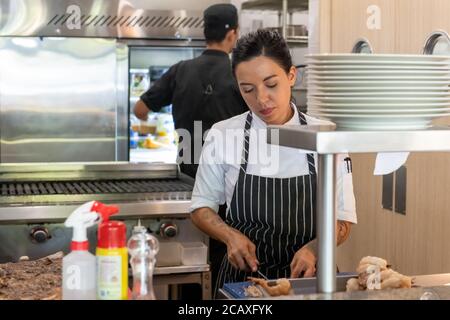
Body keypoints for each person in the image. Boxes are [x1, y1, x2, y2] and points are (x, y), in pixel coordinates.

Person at [189, 29, 358, 296]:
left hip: (312, 281)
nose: (261, 99)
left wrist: (315, 249)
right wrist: (230, 236)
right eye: (248, 90)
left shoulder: (327, 137)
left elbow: (343, 219)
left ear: (291, 76)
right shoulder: (223, 134)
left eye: (271, 84)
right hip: (244, 284)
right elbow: (201, 207)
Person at [134, 3, 248, 178]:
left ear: (205, 33)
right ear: (233, 34)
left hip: (187, 177)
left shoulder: (179, 70)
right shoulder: (241, 74)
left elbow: (139, 110)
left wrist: (151, 122)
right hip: (229, 177)